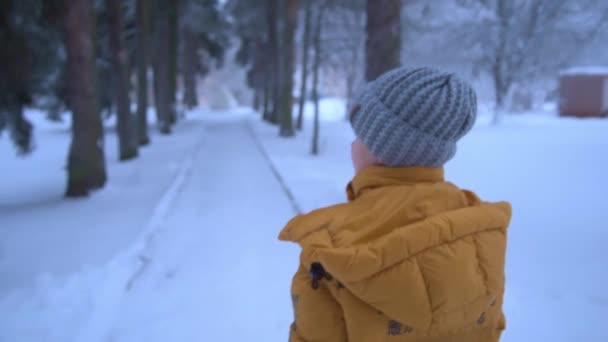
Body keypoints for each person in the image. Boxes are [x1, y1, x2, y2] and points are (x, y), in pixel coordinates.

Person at [279, 66, 512, 341]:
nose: (353, 145)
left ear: (382, 148)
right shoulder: (482, 227)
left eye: (360, 137)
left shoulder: (329, 246)